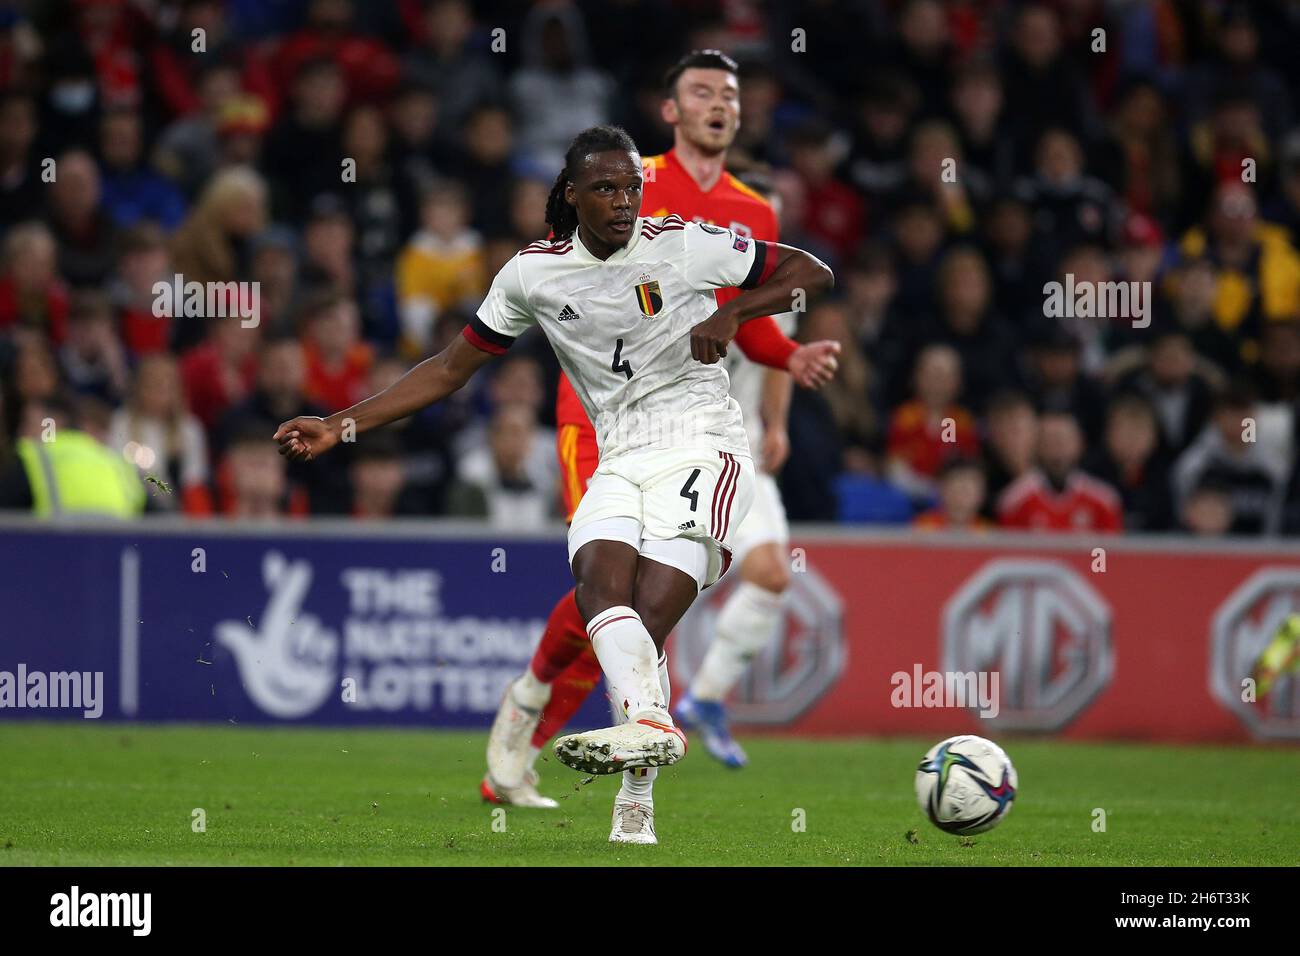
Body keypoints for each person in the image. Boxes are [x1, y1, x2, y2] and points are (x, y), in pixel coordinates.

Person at [275, 123, 837, 845]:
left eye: (632, 186)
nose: (625, 201)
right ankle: (647, 733)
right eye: (606, 188)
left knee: (649, 614)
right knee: (599, 589)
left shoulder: (683, 243)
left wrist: (734, 310)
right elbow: (450, 369)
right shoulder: (531, 274)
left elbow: (811, 271)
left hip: (704, 443)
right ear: (572, 196)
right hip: (620, 453)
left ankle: (637, 784)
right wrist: (341, 424)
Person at [485, 51, 841, 802]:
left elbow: (751, 320)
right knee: (607, 587)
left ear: (739, 114)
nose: (717, 104)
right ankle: (532, 705)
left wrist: (785, 370)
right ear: (672, 110)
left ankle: (611, 768)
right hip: (600, 419)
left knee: (655, 598)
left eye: (729, 94)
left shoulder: (755, 207)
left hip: (694, 420)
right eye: (700, 91)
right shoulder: (628, 177)